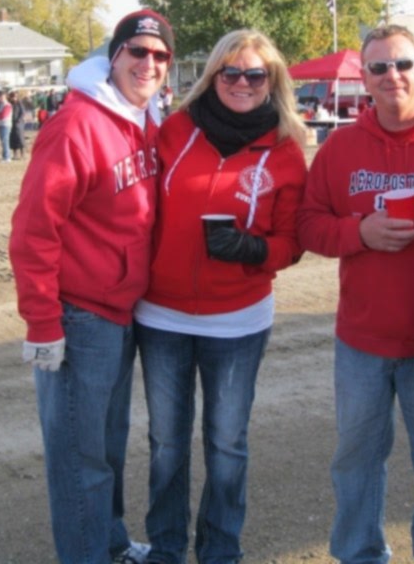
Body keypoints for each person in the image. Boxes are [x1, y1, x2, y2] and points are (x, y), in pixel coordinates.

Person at [297, 24, 414, 564]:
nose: (391, 76)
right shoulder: (342, 146)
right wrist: (360, 233)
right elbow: (308, 224)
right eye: (378, 67)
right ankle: (359, 554)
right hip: (362, 341)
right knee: (355, 462)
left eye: (401, 64)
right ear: (364, 78)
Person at [134, 29, 308, 564]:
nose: (241, 83)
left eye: (255, 74)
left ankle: (220, 551)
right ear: (212, 77)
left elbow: (292, 243)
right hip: (161, 314)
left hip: (237, 321)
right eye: (230, 73)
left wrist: (252, 249)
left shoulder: (285, 150)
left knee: (227, 445)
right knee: (166, 445)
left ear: (272, 81)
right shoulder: (173, 131)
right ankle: (166, 548)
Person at [9, 8, 175, 564]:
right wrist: (41, 322)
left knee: (105, 448)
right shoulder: (78, 124)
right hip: (79, 317)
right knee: (80, 459)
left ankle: (108, 544)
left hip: (121, 312)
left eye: (159, 56)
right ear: (115, 57)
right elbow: (34, 229)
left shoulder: (142, 119)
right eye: (137, 52)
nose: (147, 64)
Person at [0, 92, 12, 162]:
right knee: (2, 141)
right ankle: (4, 156)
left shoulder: (7, 105)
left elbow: (3, 115)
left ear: (5, 97)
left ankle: (7, 157)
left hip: (5, 125)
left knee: (5, 141)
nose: (0, 98)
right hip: (0, 124)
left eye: (2, 97)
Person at [9, 91, 26, 160]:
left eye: (15, 97)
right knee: (13, 139)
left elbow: (22, 113)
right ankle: (15, 154)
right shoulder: (10, 104)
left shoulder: (19, 104)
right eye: (12, 97)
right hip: (11, 123)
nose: (14, 98)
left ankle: (22, 154)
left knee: (20, 138)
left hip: (19, 123)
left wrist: (19, 120)